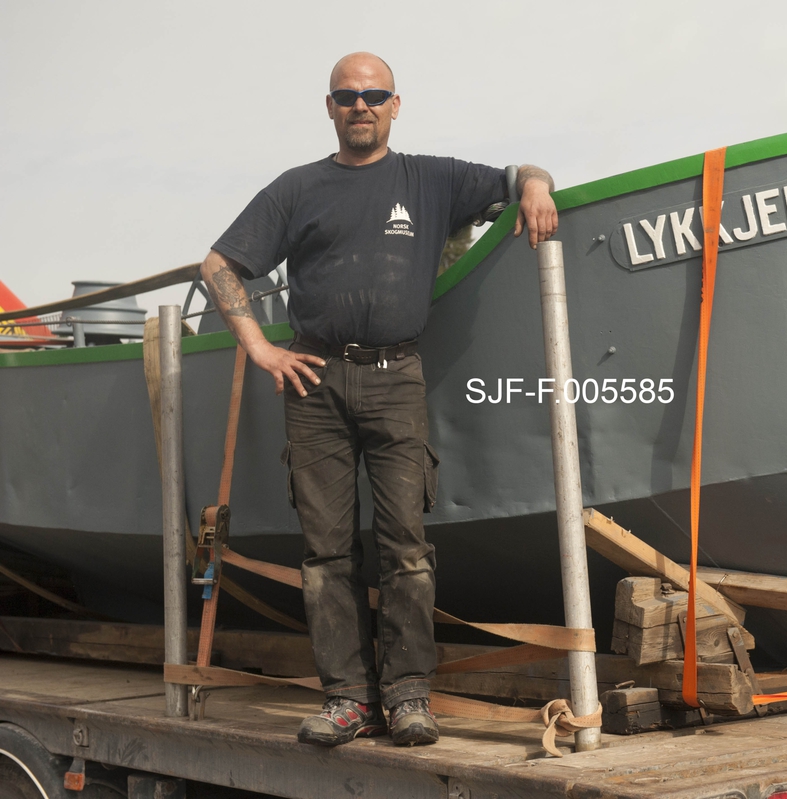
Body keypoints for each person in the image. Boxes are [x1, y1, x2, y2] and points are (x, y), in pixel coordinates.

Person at [199, 51, 557, 747]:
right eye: (347, 96)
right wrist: (262, 348)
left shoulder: (430, 178)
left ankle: (408, 696)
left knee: (407, 548)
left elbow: (519, 175)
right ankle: (346, 699)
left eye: (375, 95)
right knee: (326, 553)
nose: (361, 105)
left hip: (397, 379)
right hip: (315, 382)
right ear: (329, 107)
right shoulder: (296, 189)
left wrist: (537, 187)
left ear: (397, 104)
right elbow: (218, 264)